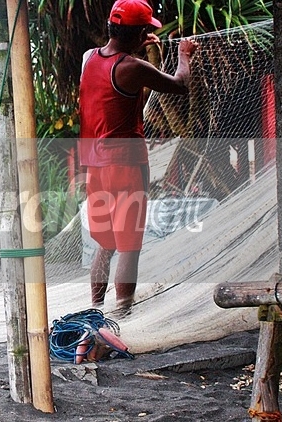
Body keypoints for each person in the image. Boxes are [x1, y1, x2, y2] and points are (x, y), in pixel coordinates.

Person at [78, 0, 197, 315]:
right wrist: (184, 55)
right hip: (126, 165)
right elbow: (180, 84)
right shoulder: (133, 67)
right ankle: (123, 314)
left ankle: (95, 308)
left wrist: (136, 43)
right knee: (129, 246)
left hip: (94, 165)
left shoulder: (89, 58)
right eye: (144, 30)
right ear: (139, 33)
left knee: (106, 244)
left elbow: (112, 74)